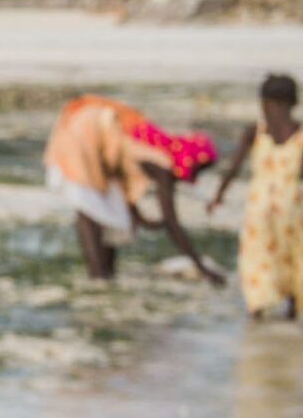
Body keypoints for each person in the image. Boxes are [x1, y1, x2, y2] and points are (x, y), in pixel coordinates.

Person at [43, 95, 225, 285]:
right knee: (90, 205)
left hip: (93, 127)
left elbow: (123, 184)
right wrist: (203, 269)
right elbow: (173, 223)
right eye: (197, 170)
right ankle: (98, 277)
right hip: (87, 131)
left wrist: (144, 219)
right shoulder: (163, 167)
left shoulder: (160, 148)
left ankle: (104, 276)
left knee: (109, 211)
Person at [207, 74, 303, 318]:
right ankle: (292, 305)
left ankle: (258, 308)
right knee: (292, 254)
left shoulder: (256, 131)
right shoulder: (299, 134)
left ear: (267, 102)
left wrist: (218, 195)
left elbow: (234, 168)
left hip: (259, 204)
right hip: (291, 204)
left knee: (257, 254)